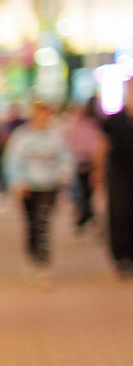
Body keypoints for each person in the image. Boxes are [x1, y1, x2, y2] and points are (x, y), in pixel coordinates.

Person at [3, 100, 76, 272]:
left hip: (49, 185)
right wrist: (17, 182)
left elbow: (65, 158)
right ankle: (32, 254)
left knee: (43, 221)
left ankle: (43, 259)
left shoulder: (56, 136)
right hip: (28, 187)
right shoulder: (22, 136)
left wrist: (63, 175)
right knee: (31, 222)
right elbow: (12, 160)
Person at [63, 99, 108, 233]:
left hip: (87, 162)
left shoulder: (93, 124)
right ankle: (87, 217)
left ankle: (87, 217)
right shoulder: (91, 125)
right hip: (84, 162)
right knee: (86, 193)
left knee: (87, 193)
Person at [104, 89, 133, 276]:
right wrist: (98, 174)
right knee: (120, 213)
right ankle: (122, 258)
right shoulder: (115, 120)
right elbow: (102, 146)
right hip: (119, 175)